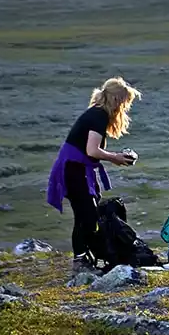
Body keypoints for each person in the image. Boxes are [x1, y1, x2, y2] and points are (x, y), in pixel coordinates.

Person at [45, 77, 140, 280]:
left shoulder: (97, 113)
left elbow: (89, 151)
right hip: (74, 170)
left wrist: (113, 158)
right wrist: (114, 157)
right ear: (116, 99)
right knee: (86, 216)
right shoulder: (98, 116)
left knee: (86, 214)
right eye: (124, 101)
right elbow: (92, 150)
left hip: (78, 169)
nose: (124, 107)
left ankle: (84, 258)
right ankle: (80, 262)